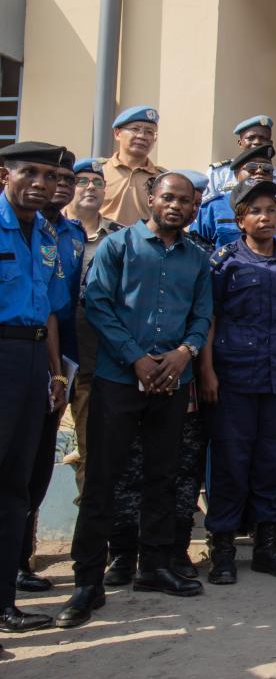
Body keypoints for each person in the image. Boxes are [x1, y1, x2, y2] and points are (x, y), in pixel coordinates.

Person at [56, 172, 212, 629]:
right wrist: (136, 359)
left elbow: (202, 315)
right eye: (168, 197)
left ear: (194, 207)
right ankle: (88, 582)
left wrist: (183, 354)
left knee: (162, 476)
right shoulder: (117, 246)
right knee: (103, 479)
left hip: (172, 382)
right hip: (118, 380)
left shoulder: (197, 258)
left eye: (185, 201)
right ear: (151, 198)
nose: (176, 206)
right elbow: (97, 304)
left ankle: (155, 567)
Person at [199, 178, 276, 585]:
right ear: (240, 220)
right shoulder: (224, 261)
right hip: (234, 377)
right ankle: (223, 548)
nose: (265, 217)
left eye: (272, 211)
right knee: (231, 462)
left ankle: (267, 546)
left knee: (274, 462)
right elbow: (210, 319)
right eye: (256, 211)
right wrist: (207, 371)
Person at [0, 142, 70, 640]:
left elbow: (48, 308)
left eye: (49, 176)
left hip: (30, 360)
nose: (40, 184)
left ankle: (5, 604)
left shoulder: (46, 234)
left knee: (15, 487)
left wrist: (55, 373)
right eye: (29, 173)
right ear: (5, 174)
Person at [16, 153, 83, 593]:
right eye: (38, 174)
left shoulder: (60, 235)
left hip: (50, 357)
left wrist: (57, 375)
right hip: (12, 354)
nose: (51, 184)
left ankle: (19, 563)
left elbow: (54, 310)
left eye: (61, 178)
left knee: (33, 467)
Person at [60, 159, 123, 498]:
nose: (90, 188)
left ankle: (89, 524)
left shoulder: (120, 236)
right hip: (48, 357)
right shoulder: (47, 228)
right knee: (27, 447)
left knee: (93, 449)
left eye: (97, 183)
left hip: (93, 360)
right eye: (82, 181)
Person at [196, 144, 276, 249]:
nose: (259, 171)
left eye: (267, 169)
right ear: (236, 174)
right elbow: (197, 250)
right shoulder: (212, 208)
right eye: (252, 168)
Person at [205, 115, 276, 205]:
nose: (257, 142)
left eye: (263, 138)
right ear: (240, 143)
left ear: (270, 143)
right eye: (251, 138)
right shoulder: (218, 174)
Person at [99, 105, 166, 225]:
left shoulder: (163, 179)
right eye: (135, 129)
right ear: (117, 133)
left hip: (144, 237)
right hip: (102, 236)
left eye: (149, 132)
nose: (142, 136)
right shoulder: (99, 171)